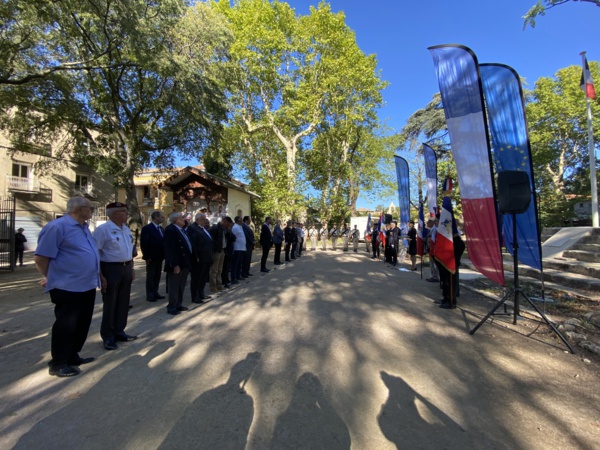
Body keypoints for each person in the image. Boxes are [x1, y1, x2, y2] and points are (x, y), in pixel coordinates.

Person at [34, 197, 99, 377]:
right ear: (79, 209)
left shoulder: (84, 228)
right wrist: (51, 277)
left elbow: (91, 255)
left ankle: (72, 355)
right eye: (91, 209)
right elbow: (41, 258)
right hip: (67, 286)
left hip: (86, 284)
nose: (93, 212)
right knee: (66, 325)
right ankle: (58, 363)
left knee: (82, 323)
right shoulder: (57, 227)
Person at [93, 202, 137, 351]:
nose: (127, 214)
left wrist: (131, 268)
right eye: (124, 211)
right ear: (115, 214)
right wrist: (101, 275)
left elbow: (129, 250)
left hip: (125, 267)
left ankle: (119, 330)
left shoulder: (125, 229)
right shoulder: (103, 230)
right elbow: (95, 254)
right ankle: (108, 336)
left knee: (123, 302)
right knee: (110, 303)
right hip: (110, 269)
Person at [164, 212, 193, 315]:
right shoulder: (170, 230)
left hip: (185, 262)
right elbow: (170, 249)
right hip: (177, 263)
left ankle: (178, 304)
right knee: (174, 285)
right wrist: (174, 264)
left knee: (181, 285)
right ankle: (171, 306)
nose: (184, 219)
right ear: (175, 220)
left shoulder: (182, 230)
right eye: (182, 218)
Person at [187, 212, 214, 303]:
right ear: (197, 219)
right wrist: (196, 257)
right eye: (203, 219)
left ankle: (201, 293)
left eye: (205, 219)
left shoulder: (203, 228)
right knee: (196, 278)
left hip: (207, 257)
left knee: (203, 277)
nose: (205, 221)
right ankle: (195, 296)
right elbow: (194, 245)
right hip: (199, 258)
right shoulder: (192, 228)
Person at [140, 211, 165, 303]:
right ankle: (150, 294)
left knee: (157, 275)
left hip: (160, 256)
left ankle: (155, 291)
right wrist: (146, 256)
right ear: (156, 217)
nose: (163, 218)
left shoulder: (161, 229)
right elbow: (144, 243)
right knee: (151, 276)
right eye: (161, 217)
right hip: (151, 257)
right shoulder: (147, 228)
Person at [209, 216, 232, 293]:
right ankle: (213, 286)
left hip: (222, 250)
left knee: (220, 269)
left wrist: (228, 231)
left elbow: (228, 239)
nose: (227, 225)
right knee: (214, 270)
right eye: (227, 224)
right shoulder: (215, 228)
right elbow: (211, 240)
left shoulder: (224, 229)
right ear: (224, 221)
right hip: (216, 251)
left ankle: (219, 285)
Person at [230, 216, 246, 284]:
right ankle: (233, 278)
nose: (242, 220)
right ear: (238, 220)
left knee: (239, 264)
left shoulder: (240, 226)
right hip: (237, 248)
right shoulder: (235, 227)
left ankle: (238, 276)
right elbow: (233, 238)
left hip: (242, 248)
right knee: (235, 264)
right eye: (241, 219)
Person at [426, 218, 439, 282]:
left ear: (432, 223)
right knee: (432, 263)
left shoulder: (435, 230)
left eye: (428, 222)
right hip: (430, 248)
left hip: (434, 249)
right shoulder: (431, 230)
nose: (427, 224)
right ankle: (433, 275)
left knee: (434, 264)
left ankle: (435, 276)